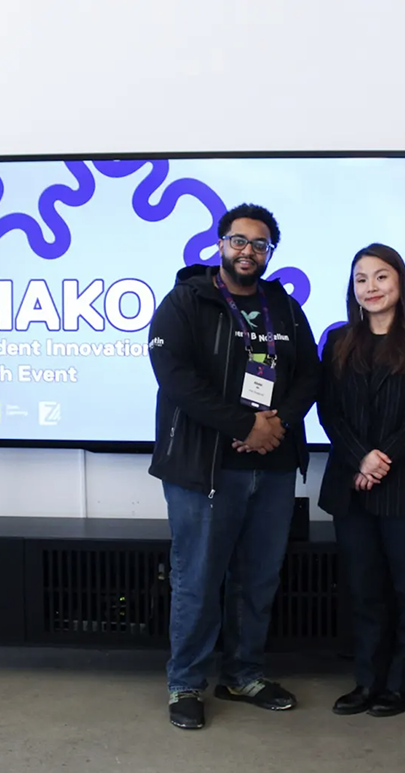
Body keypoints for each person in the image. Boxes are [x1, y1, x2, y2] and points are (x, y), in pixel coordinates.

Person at [147, 203, 321, 730]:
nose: (249, 251)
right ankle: (185, 683)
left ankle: (244, 674)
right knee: (197, 578)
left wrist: (276, 425)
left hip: (270, 466)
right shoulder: (185, 301)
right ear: (220, 243)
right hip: (203, 467)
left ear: (270, 252)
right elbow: (175, 377)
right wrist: (243, 426)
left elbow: (310, 375)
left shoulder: (283, 306)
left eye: (260, 244)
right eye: (239, 241)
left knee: (258, 577)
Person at [317, 244, 405, 718]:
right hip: (350, 484)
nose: (370, 288)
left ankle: (403, 682)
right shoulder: (337, 342)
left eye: (381, 277)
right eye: (361, 279)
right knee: (363, 589)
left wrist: (383, 458)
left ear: (400, 283)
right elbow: (328, 410)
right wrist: (361, 458)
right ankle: (367, 681)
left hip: (404, 483)